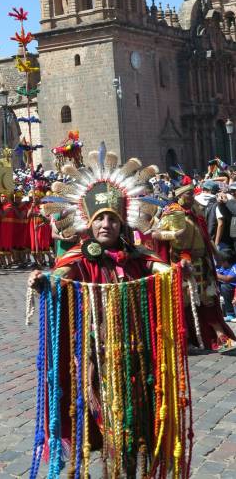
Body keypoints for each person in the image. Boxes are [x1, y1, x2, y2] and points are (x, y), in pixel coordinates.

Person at [29, 152, 170, 477]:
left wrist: (176, 273)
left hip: (137, 359)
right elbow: (59, 278)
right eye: (100, 219)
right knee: (108, 429)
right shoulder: (79, 258)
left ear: (122, 223)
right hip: (96, 361)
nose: (106, 225)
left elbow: (163, 271)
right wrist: (43, 283)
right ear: (88, 223)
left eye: (112, 219)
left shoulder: (138, 257)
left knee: (138, 431)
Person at [153, 175, 236, 352]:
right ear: (180, 195)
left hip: (202, 262)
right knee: (185, 303)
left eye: (193, 193)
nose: (192, 196)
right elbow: (156, 234)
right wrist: (173, 235)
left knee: (208, 301)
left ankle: (219, 336)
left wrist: (216, 254)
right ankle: (188, 339)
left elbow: (206, 237)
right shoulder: (172, 212)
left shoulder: (196, 211)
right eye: (189, 194)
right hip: (181, 264)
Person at [216, 251, 236, 322]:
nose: (219, 263)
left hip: (234, 290)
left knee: (224, 287)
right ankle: (220, 313)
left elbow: (228, 279)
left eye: (220, 261)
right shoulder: (222, 267)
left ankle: (231, 313)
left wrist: (214, 273)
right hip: (229, 290)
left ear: (226, 262)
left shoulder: (234, 267)